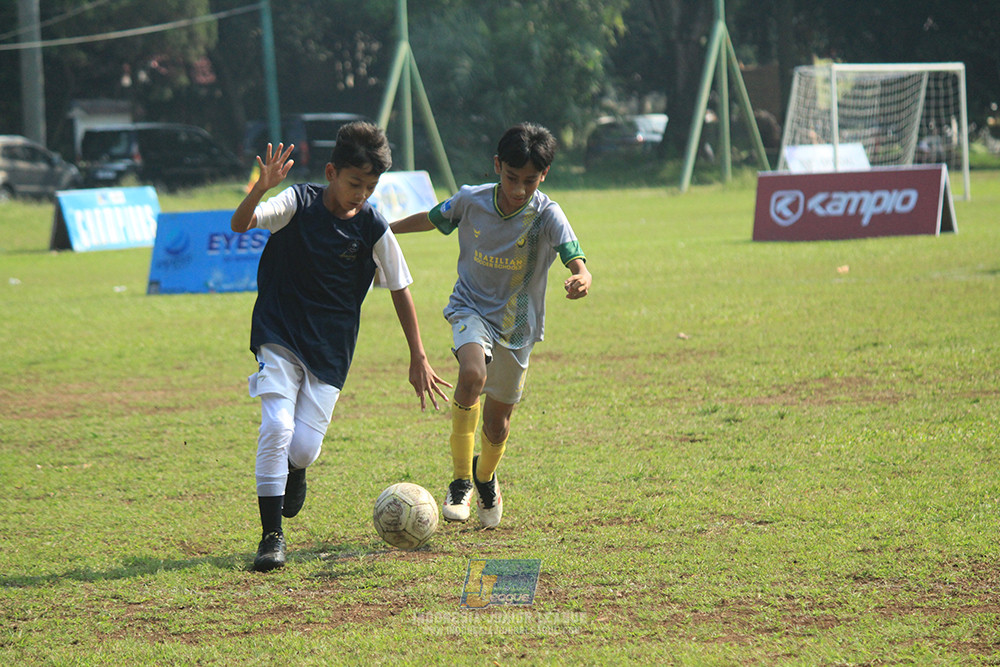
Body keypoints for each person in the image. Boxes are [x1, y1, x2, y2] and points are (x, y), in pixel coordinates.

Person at [231, 122, 451, 572]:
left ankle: (295, 470)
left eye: (370, 187)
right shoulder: (298, 202)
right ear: (331, 172)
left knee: (305, 448)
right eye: (354, 183)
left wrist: (419, 355)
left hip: (331, 349)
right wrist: (260, 189)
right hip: (279, 333)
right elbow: (241, 224)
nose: (361, 194)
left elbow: (400, 288)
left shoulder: (372, 226)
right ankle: (271, 536)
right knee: (276, 425)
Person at [391, 123, 591, 529]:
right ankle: (461, 480)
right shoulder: (472, 200)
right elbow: (433, 219)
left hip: (518, 325)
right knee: (471, 373)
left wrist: (582, 274)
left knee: (498, 424)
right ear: (497, 166)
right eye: (511, 178)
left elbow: (573, 252)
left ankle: (485, 478)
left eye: (529, 181)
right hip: (470, 308)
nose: (519, 189)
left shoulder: (547, 213)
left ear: (544, 176)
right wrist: (384, 230)